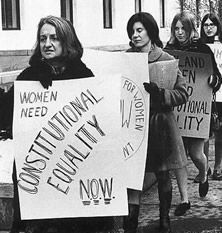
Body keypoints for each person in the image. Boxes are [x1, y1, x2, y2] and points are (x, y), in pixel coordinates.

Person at [0, 15, 113, 233]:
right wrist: (30, 86)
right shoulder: (29, 76)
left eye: (54, 38)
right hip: (35, 170)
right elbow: (7, 116)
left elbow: (100, 123)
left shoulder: (83, 75)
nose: (47, 44)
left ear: (66, 41)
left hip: (70, 170)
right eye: (43, 39)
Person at [123, 12, 188, 233]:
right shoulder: (124, 59)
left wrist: (161, 95)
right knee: (132, 175)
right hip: (132, 127)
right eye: (132, 31)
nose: (135, 35)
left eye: (139, 30)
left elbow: (182, 93)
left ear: (150, 31)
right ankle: (130, 222)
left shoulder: (167, 60)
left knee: (162, 173)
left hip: (160, 126)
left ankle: (164, 220)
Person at [165, 11, 221, 203]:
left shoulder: (203, 49)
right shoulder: (169, 50)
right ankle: (184, 199)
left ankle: (204, 173)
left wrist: (214, 80)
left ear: (191, 30)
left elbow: (217, 77)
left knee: (197, 155)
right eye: (177, 28)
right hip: (176, 113)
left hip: (197, 113)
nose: (180, 32)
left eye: (184, 28)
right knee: (180, 157)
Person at [200, 13, 222, 181]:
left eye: (211, 25)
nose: (208, 27)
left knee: (220, 133)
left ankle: (218, 167)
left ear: (217, 26)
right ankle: (204, 167)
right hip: (204, 95)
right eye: (206, 25)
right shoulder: (199, 47)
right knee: (203, 134)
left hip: (221, 96)